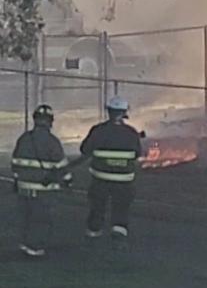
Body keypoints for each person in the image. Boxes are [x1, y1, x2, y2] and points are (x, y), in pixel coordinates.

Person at [80, 97, 143, 247]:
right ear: (125, 112)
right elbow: (137, 154)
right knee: (121, 207)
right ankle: (119, 234)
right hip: (124, 180)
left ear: (109, 111)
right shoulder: (131, 133)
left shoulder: (98, 130)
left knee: (97, 205)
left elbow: (84, 149)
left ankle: (93, 233)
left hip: (100, 178)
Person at [10, 105, 70, 258]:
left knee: (26, 216)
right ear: (50, 121)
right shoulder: (52, 142)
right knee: (41, 218)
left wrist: (19, 179)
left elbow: (15, 163)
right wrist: (68, 181)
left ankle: (25, 243)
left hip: (23, 188)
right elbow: (61, 166)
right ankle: (35, 247)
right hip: (44, 190)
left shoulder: (24, 139)